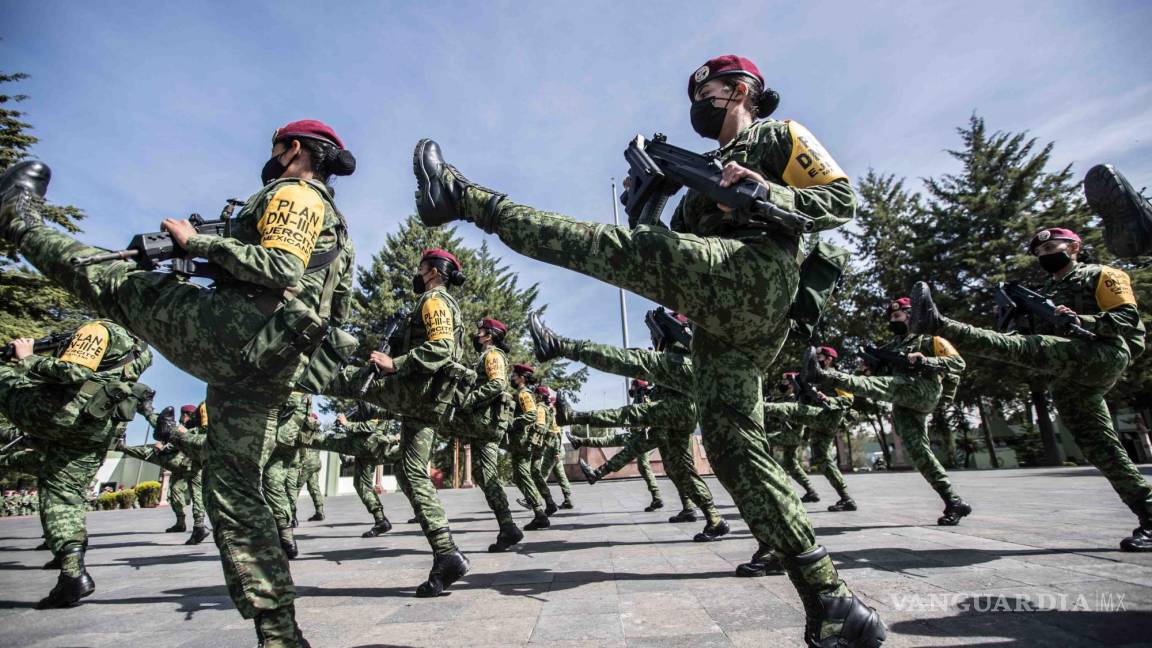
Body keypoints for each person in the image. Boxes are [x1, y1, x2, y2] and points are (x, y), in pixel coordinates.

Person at [412, 54, 885, 646]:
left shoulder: (777, 137)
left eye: (707, 89)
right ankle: (831, 600)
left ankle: (465, 198)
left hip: (759, 274)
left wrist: (768, 194)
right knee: (734, 448)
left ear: (741, 89)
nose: (698, 100)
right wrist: (649, 199)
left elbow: (841, 201)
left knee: (606, 248)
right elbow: (668, 249)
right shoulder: (702, 173)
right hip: (723, 320)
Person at [0, 118, 358, 646]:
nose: (273, 156)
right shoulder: (340, 231)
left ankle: (16, 219)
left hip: (235, 334)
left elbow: (280, 266)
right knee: (232, 487)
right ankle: (279, 634)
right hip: (272, 362)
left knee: (110, 281)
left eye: (277, 147)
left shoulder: (295, 191)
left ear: (295, 149)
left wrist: (198, 243)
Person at [910, 227, 1152, 551]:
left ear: (1075, 247)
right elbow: (1032, 334)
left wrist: (1082, 320)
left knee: (1023, 348)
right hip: (1069, 377)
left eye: (1053, 246)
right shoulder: (1046, 291)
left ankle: (939, 325)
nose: (1046, 254)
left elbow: (1126, 317)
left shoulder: (1101, 274)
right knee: (1101, 449)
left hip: (1103, 353)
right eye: (1040, 252)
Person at [323, 248, 473, 598]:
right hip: (426, 399)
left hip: (416, 392)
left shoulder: (435, 300)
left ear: (435, 271)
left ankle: (296, 369)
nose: (417, 272)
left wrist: (395, 363)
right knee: (409, 472)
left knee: (343, 377)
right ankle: (446, 553)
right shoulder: (435, 299)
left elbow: (442, 349)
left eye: (421, 266)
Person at [0, 321, 153, 608]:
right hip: (99, 425)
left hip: (65, 413)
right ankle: (72, 574)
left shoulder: (99, 329)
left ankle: (19, 435)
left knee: (5, 377)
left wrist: (28, 358)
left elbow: (76, 372)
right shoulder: (143, 350)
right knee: (61, 491)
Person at [804, 298, 970, 526]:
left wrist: (926, 359)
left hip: (924, 389)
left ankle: (826, 374)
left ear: (911, 315)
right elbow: (871, 379)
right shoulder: (892, 347)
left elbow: (958, 363)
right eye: (891, 317)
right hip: (903, 402)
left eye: (897, 316)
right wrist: (866, 370)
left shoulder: (931, 340)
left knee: (887, 385)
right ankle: (953, 501)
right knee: (919, 452)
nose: (893, 321)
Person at [440, 317, 524, 552]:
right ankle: (507, 526)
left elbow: (497, 384)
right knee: (482, 472)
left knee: (437, 419)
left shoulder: (493, 355)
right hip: (483, 422)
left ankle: (508, 527)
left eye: (480, 331)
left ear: (489, 335)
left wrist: (469, 400)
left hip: (486, 422)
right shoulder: (485, 356)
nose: (477, 334)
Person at [313, 410, 398, 537]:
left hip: (370, 445)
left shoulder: (373, 401)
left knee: (363, 483)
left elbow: (371, 426)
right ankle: (380, 520)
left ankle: (382, 520)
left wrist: (346, 423)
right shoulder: (367, 402)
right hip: (366, 447)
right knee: (360, 483)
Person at [262, 392, 313, 558]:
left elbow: (291, 400)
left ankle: (286, 537)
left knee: (272, 483)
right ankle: (283, 533)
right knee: (274, 484)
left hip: (283, 436)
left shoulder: (293, 374)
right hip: (288, 434)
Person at [504, 363, 552, 530]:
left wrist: (512, 423)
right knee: (518, 476)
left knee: (523, 474)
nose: (512, 378)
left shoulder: (524, 394)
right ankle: (539, 510)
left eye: (515, 375)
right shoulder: (524, 393)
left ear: (522, 378)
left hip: (522, 442)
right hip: (520, 441)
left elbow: (531, 414)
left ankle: (540, 513)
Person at [295, 412, 325, 522]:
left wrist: (299, 464)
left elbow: (302, 447)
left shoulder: (306, 429)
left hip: (307, 462)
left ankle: (291, 515)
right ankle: (320, 512)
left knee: (295, 486)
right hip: (316, 462)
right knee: (314, 487)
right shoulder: (319, 431)